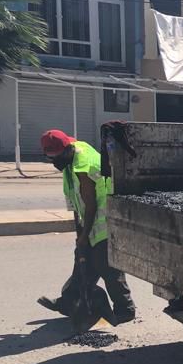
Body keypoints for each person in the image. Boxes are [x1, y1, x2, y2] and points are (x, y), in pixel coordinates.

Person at [36, 129, 135, 324]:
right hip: (89, 219)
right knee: (80, 259)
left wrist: (84, 236)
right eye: (50, 157)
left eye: (56, 156)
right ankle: (69, 302)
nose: (54, 161)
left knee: (105, 265)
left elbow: (90, 205)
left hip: (104, 219)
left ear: (66, 149)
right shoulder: (71, 152)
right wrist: (80, 235)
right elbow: (76, 201)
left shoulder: (83, 166)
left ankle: (125, 309)